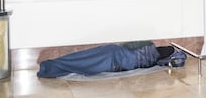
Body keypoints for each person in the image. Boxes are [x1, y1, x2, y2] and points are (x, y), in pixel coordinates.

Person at [37, 40, 183, 78]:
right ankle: (49, 69)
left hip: (111, 51)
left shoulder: (148, 45)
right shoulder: (151, 63)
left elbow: (127, 44)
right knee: (81, 66)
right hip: (113, 63)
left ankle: (48, 66)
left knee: (78, 59)